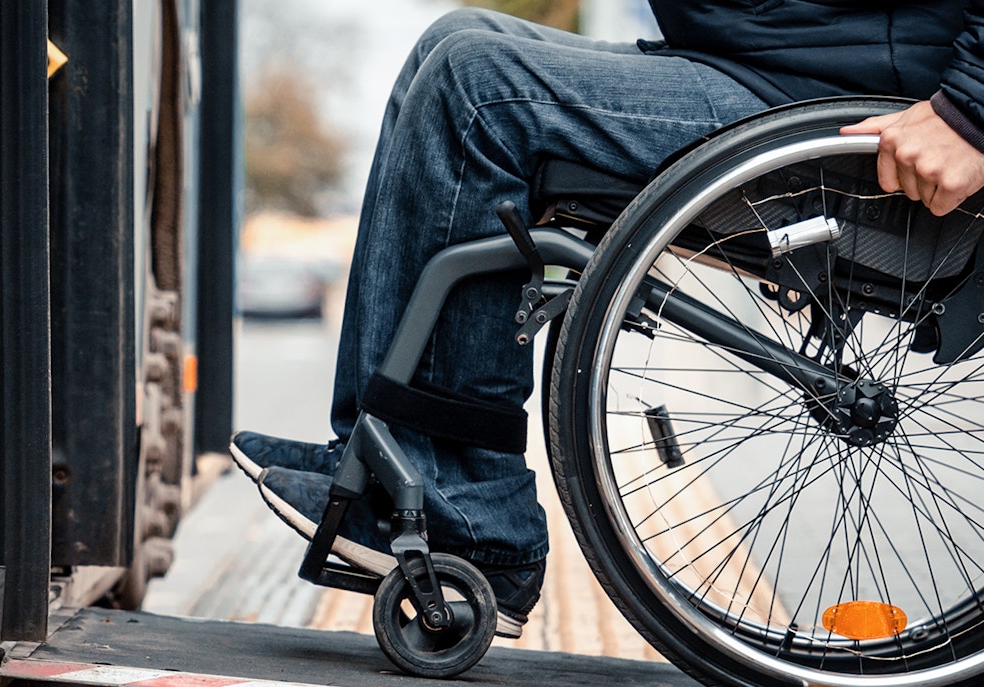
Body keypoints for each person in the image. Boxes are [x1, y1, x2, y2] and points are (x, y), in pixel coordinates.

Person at [231, 3, 984, 639]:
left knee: (476, 89)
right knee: (449, 40)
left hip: (853, 97)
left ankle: (467, 514)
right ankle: (374, 460)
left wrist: (970, 111)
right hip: (778, 59)